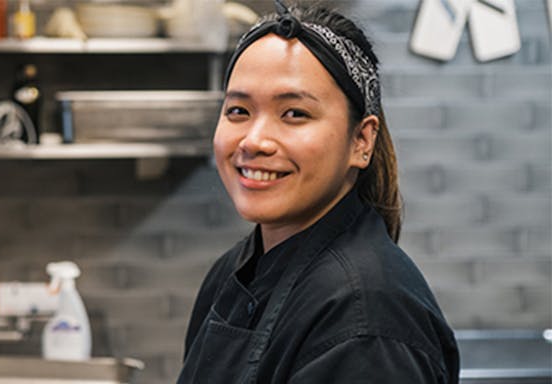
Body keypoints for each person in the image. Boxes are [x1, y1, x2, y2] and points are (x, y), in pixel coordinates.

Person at [178, 1, 460, 383]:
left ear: (362, 140)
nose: (254, 140)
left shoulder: (368, 319)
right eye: (238, 111)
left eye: (294, 113)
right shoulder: (232, 272)